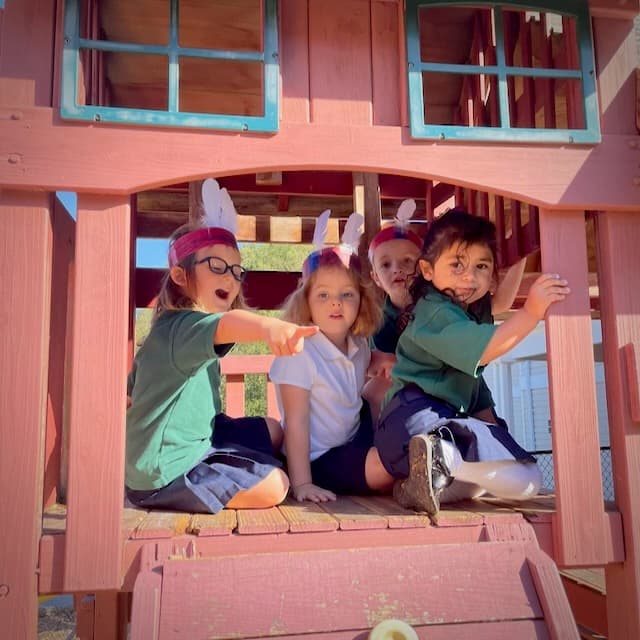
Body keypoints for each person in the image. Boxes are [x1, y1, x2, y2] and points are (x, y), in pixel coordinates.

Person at [126, 178, 317, 514]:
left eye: (235, 270)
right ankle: (223, 477)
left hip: (204, 435)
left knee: (273, 429)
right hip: (165, 472)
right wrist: (270, 327)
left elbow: (132, 394)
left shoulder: (177, 333)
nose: (229, 277)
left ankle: (238, 465)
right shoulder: (182, 326)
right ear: (181, 276)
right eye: (216, 266)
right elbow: (229, 325)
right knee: (276, 485)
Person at [374, 208, 570, 519]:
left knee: (524, 478)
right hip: (413, 424)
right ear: (427, 270)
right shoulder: (434, 312)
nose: (469, 277)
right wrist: (532, 312)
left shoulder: (465, 311)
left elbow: (476, 394)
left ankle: (426, 479)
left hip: (431, 429)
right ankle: (441, 458)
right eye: (457, 265)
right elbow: (487, 349)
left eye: (481, 266)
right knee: (524, 479)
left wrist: (498, 440)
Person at [269, 211, 395, 502]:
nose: (336, 302)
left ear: (362, 302)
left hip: (353, 438)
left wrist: (383, 359)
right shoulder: (298, 352)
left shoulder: (358, 344)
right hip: (318, 458)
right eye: (323, 295)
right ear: (306, 303)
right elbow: (297, 421)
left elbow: (360, 364)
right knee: (384, 469)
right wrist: (303, 484)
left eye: (347, 294)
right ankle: (394, 468)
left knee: (388, 381)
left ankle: (397, 449)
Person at [364, 201, 527, 426]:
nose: (397, 269)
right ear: (375, 277)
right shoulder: (383, 321)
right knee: (376, 391)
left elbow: (500, 303)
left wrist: (520, 258)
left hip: (462, 383)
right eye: (386, 264)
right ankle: (378, 446)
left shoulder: (449, 298)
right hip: (416, 396)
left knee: (494, 434)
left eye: (406, 261)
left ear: (424, 267)